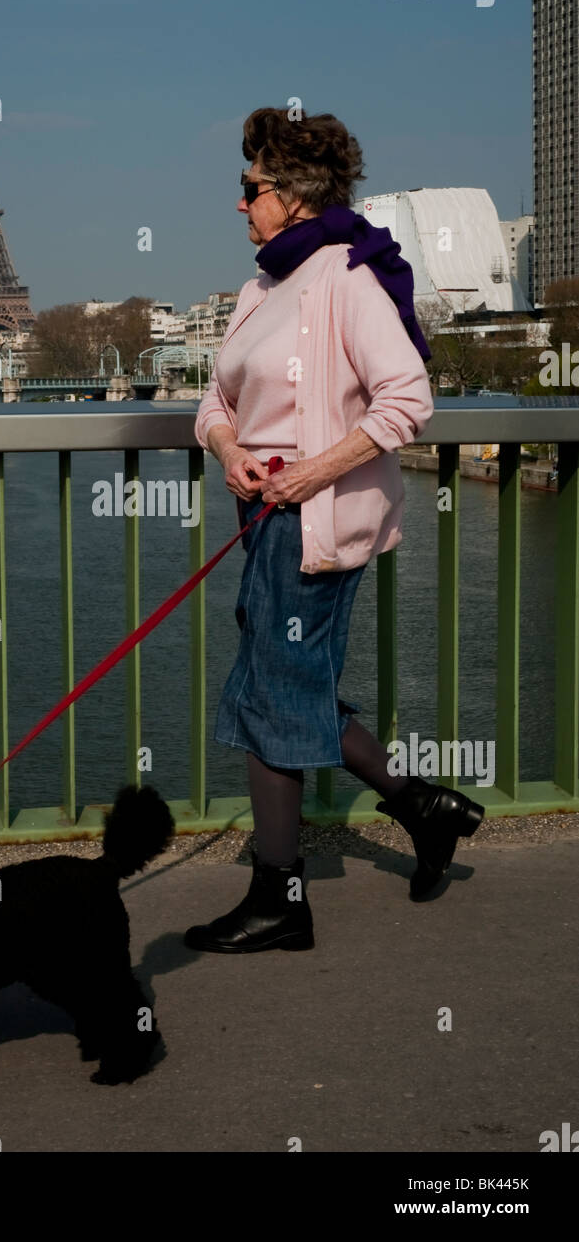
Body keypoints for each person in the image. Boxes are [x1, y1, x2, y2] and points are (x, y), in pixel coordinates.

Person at [184, 108, 485, 954]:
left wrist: (309, 473)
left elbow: (407, 401)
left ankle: (280, 898)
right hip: (264, 513)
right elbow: (214, 400)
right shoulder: (258, 289)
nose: (238, 205)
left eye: (249, 188)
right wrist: (229, 446)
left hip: (309, 519)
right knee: (283, 683)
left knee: (269, 694)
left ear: (293, 192)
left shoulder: (343, 280)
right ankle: (423, 807)